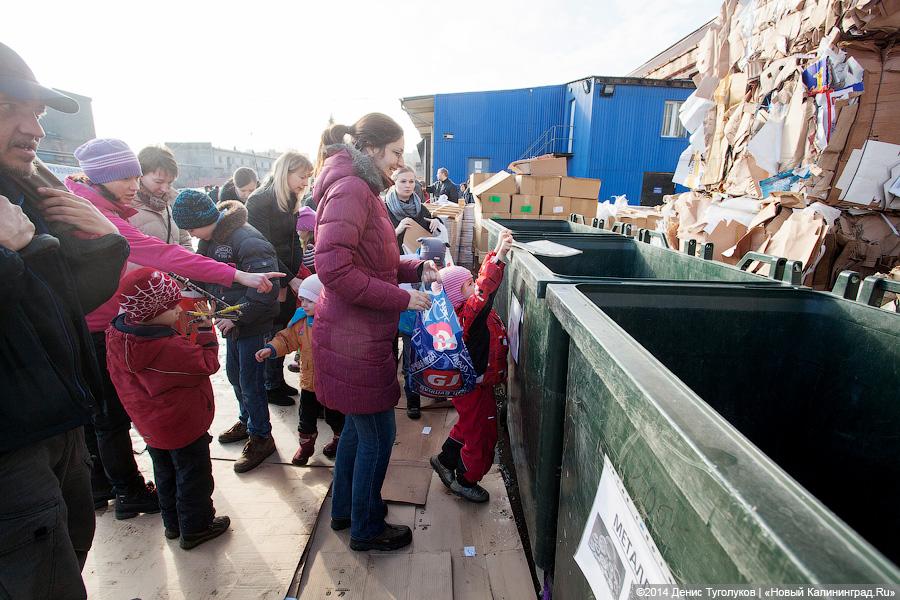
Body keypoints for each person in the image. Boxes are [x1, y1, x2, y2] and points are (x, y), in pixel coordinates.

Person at [61, 138, 282, 514]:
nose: (136, 185)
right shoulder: (94, 214)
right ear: (100, 177)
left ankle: (118, 487)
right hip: (110, 325)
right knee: (113, 417)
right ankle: (131, 493)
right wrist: (234, 281)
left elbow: (168, 252)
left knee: (118, 413)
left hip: (123, 317)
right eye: (128, 177)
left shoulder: (101, 207)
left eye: (136, 176)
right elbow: (161, 253)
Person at [0, 42, 129, 599]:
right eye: (10, 108)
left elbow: (60, 305)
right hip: (13, 441)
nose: (33, 129)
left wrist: (105, 245)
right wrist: (31, 255)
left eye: (38, 114)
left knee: (68, 554)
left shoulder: (24, 193)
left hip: (55, 419)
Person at [314, 113, 437, 552]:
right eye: (397, 153)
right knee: (378, 436)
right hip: (354, 338)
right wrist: (402, 299)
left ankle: (348, 509)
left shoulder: (362, 189)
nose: (400, 163)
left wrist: (416, 267)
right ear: (370, 150)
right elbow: (333, 269)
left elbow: (376, 262)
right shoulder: (351, 189)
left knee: (357, 431)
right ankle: (366, 527)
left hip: (357, 333)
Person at [105, 268, 231, 549]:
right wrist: (204, 328)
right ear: (151, 312)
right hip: (182, 424)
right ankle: (197, 527)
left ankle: (173, 524)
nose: (178, 309)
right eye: (171, 306)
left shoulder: (117, 335)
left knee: (164, 473)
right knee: (193, 477)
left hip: (150, 424)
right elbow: (208, 363)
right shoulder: (166, 349)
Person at [173, 191, 282, 473]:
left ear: (206, 219)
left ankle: (261, 435)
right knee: (235, 375)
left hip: (252, 324)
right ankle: (247, 420)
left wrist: (236, 316)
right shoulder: (209, 239)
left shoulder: (247, 240)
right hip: (230, 321)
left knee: (251, 380)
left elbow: (267, 290)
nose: (190, 233)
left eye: (191, 227)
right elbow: (201, 272)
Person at [430, 230, 512, 503]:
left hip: (473, 385)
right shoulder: (468, 316)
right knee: (481, 435)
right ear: (458, 295)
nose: (474, 285)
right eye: (468, 285)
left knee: (467, 425)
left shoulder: (463, 315)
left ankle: (445, 460)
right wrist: (499, 257)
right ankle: (466, 479)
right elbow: (484, 291)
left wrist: (498, 249)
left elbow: (480, 287)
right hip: (474, 387)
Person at [247, 152, 314, 406]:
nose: (304, 183)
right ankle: (268, 384)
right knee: (271, 328)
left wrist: (296, 273)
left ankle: (275, 380)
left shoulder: (290, 200)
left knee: (284, 325)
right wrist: (288, 279)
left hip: (285, 273)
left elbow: (293, 242)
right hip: (268, 273)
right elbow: (264, 247)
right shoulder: (259, 201)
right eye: (301, 177)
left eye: (308, 178)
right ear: (284, 172)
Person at [255, 275, 344, 465]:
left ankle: (339, 440)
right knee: (305, 419)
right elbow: (286, 339)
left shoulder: (337, 323)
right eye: (302, 299)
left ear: (325, 299)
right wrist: (271, 348)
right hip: (309, 383)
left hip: (333, 385)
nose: (304, 304)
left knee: (336, 417)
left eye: (310, 300)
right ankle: (306, 446)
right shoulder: (300, 323)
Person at [399, 237, 449, 420]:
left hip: (435, 328)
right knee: (410, 364)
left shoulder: (444, 272)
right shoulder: (409, 268)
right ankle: (413, 401)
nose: (437, 269)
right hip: (410, 327)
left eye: (440, 264)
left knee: (438, 359)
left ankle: (438, 391)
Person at [130, 145, 191, 249]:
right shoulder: (126, 207)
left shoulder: (172, 203)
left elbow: (184, 240)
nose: (165, 189)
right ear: (140, 175)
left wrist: (189, 262)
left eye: (170, 182)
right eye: (159, 182)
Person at [385, 165, 439, 251]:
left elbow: (430, 230)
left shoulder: (421, 208)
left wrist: (436, 221)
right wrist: (397, 230)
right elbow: (378, 242)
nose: (408, 185)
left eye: (411, 181)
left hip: (418, 260)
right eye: (403, 181)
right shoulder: (384, 209)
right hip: (394, 259)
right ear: (394, 183)